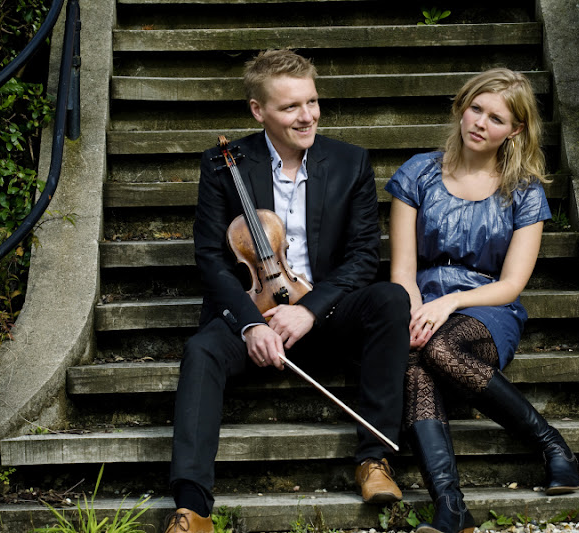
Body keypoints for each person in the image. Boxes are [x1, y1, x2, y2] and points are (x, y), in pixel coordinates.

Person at [162, 49, 411, 533]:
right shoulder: (223, 164)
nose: (307, 116)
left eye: (312, 102)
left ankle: (374, 459)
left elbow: (363, 257)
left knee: (391, 299)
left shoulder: (350, 161)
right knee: (201, 351)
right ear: (259, 111)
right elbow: (212, 260)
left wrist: (310, 310)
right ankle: (192, 506)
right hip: (253, 311)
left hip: (325, 311)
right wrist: (252, 323)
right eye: (290, 107)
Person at [386, 68, 579, 533]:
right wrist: (415, 308)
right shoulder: (418, 172)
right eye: (476, 108)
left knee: (438, 347)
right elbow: (402, 270)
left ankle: (552, 444)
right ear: (461, 106)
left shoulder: (524, 191)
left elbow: (512, 283)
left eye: (496, 118)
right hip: (419, 298)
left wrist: (449, 303)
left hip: (488, 307)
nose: (480, 122)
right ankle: (451, 507)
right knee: (416, 357)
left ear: (514, 130)